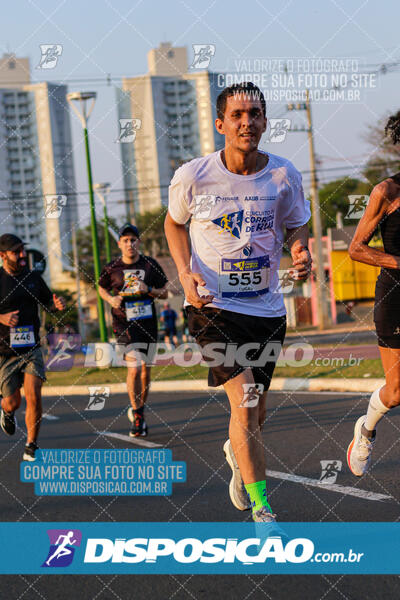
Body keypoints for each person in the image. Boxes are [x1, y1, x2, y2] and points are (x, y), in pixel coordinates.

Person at [165, 82, 312, 522]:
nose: (247, 122)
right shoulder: (194, 175)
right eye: (238, 115)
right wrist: (185, 272)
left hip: (266, 309)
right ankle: (263, 510)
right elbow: (175, 226)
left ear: (265, 122)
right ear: (221, 124)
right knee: (246, 400)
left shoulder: (285, 175)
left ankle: (235, 450)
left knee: (255, 414)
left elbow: (297, 224)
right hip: (212, 308)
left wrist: (301, 250)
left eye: (255, 114)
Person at [347, 110, 400, 476]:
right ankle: (365, 430)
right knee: (396, 393)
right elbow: (356, 249)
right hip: (395, 297)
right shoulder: (387, 192)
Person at [0, 234, 66, 461]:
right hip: (5, 352)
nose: (21, 255)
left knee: (34, 396)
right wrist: (2, 317)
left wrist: (56, 306)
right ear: (2, 255)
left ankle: (31, 445)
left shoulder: (33, 278)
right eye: (15, 251)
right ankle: (7, 412)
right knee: (13, 401)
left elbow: (47, 301)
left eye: (21, 250)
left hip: (31, 348)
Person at [98, 223, 168, 437]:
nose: (130, 243)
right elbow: (101, 287)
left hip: (147, 323)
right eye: (125, 240)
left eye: (133, 239)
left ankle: (139, 410)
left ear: (139, 242)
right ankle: (138, 416)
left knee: (146, 371)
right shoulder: (112, 268)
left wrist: (150, 290)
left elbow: (166, 292)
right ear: (119, 243)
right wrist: (111, 298)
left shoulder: (150, 265)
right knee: (135, 368)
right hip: (124, 324)